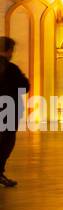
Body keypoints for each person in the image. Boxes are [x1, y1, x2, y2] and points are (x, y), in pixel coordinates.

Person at [0, 37, 29, 188]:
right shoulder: (11, 69)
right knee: (6, 143)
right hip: (8, 111)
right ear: (8, 50)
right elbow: (25, 86)